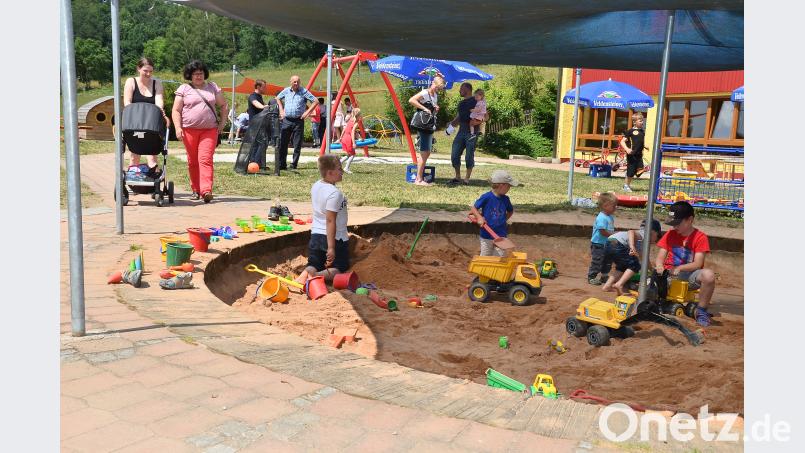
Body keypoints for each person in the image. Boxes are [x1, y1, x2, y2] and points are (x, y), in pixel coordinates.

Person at [171, 60, 228, 203]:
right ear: (190, 75)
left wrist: (222, 123)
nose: (198, 76)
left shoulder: (213, 87)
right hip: (189, 130)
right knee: (193, 161)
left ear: (205, 74)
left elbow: (223, 105)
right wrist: (178, 128)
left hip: (209, 130)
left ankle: (206, 190)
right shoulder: (184, 88)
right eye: (195, 74)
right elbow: (176, 110)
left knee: (205, 159)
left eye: (201, 73)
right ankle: (195, 189)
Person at [654, 201, 716, 327]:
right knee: (650, 282)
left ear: (690, 220)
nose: (674, 227)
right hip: (669, 277)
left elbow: (698, 263)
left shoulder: (700, 237)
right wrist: (659, 265)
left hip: (690, 276)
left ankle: (701, 311)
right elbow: (660, 258)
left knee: (709, 275)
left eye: (677, 223)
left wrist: (680, 267)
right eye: (672, 223)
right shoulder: (670, 234)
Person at [294, 155, 350, 285]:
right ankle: (315, 276)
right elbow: (330, 220)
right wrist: (331, 247)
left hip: (316, 235)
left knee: (314, 263)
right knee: (341, 267)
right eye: (339, 169)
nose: (342, 171)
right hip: (334, 237)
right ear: (330, 173)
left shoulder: (316, 185)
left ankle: (305, 275)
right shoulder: (335, 193)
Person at [123, 57, 168, 176]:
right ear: (138, 69)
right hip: (135, 122)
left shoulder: (156, 83)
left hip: (151, 123)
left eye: (151, 71)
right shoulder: (131, 81)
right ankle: (134, 178)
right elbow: (127, 102)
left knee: (152, 154)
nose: (148, 74)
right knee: (134, 154)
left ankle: (153, 177)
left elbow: (159, 100)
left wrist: (160, 111)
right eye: (145, 71)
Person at [601, 219, 662, 295]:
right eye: (657, 236)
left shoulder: (642, 243)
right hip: (618, 244)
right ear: (653, 232)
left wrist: (651, 269)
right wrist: (632, 246)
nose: (655, 241)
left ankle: (607, 286)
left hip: (609, 243)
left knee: (621, 267)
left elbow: (644, 258)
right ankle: (619, 284)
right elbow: (631, 232)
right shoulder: (644, 234)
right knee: (635, 265)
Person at [469, 169, 517, 257]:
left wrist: (504, 219)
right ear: (502, 185)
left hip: (501, 234)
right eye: (509, 186)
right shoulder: (486, 197)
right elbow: (473, 208)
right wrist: (479, 217)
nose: (509, 188)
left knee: (500, 257)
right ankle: (483, 270)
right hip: (486, 235)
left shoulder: (506, 199)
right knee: (485, 255)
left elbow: (510, 211)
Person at [275, 75, 317, 174]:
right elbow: (277, 98)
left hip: (298, 121)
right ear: (291, 82)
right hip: (287, 120)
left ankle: (294, 164)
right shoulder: (286, 91)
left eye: (298, 82)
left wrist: (307, 112)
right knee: (283, 143)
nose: (296, 83)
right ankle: (282, 164)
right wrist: (281, 109)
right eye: (294, 82)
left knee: (297, 144)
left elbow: (315, 101)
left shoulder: (304, 91)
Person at [448, 82, 489, 185]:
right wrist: (451, 125)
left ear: (467, 89)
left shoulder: (476, 101)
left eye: (461, 88)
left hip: (472, 133)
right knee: (454, 154)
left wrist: (479, 121)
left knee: (469, 155)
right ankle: (457, 177)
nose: (459, 90)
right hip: (461, 131)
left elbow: (486, 116)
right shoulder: (461, 104)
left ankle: (466, 179)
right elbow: (459, 117)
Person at [408, 75, 445, 186]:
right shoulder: (425, 92)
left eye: (439, 89)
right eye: (437, 87)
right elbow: (411, 100)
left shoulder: (435, 96)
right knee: (424, 153)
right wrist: (424, 108)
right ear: (433, 83)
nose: (438, 90)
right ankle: (418, 180)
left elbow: (432, 111)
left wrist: (435, 108)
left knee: (426, 152)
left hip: (429, 125)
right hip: (423, 126)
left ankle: (420, 178)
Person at [588, 192, 617, 285]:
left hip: (607, 243)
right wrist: (613, 236)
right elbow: (602, 231)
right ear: (605, 206)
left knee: (608, 260)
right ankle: (592, 276)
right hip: (598, 244)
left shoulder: (610, 217)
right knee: (597, 260)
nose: (615, 207)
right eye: (613, 206)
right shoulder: (602, 218)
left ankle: (604, 276)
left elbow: (610, 230)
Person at [619, 112, 646, 192]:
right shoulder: (630, 131)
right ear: (634, 122)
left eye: (642, 120)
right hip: (632, 154)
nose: (642, 122)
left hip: (639, 155)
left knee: (640, 169)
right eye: (640, 121)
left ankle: (628, 175)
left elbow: (638, 142)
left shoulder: (642, 131)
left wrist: (645, 146)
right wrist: (627, 149)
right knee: (631, 171)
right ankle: (626, 185)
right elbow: (622, 142)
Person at [339, 108, 361, 174]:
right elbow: (352, 132)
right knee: (353, 154)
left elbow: (345, 128)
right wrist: (354, 143)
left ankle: (338, 163)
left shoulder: (350, 120)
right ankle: (346, 168)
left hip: (344, 137)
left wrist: (341, 137)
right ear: (358, 115)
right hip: (349, 139)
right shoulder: (356, 122)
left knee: (349, 154)